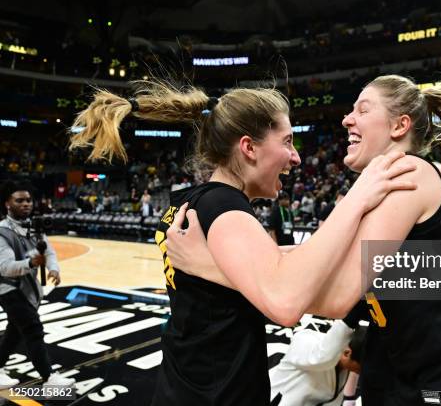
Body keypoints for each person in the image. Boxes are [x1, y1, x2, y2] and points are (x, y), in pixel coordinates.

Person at [166, 58, 441, 405]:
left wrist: (212, 269)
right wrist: (254, 268)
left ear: (399, 125)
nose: (346, 119)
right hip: (408, 369)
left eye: (362, 109)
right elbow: (312, 268)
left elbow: (335, 296)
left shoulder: (410, 172)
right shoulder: (374, 189)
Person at [68, 82, 417, 405]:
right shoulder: (226, 208)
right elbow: (286, 302)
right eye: (287, 142)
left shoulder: (193, 200)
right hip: (219, 393)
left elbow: (275, 265)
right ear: (249, 148)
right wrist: (358, 197)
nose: (295, 157)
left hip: (187, 381)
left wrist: (208, 267)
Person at [0, 181, 76, 389]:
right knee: (33, 327)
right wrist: (31, 263)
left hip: (26, 289)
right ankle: (49, 378)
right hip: (7, 289)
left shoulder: (35, 226)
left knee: (15, 332)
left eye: (28, 200)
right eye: (19, 200)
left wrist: (54, 268)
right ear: (8, 204)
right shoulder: (2, 233)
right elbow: (5, 268)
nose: (26, 204)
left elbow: (48, 250)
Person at [269, 318, 366, 406]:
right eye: (362, 366)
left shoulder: (344, 367)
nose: (363, 371)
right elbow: (322, 357)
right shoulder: (308, 343)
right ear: (347, 353)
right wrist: (349, 320)